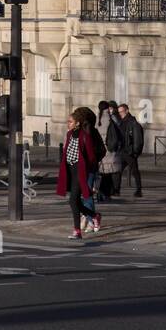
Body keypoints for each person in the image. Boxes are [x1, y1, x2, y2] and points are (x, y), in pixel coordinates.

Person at [56, 107, 101, 239]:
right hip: (69, 171)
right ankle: (94, 216)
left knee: (72, 201)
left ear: (77, 123)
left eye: (70, 121)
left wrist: (86, 168)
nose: (67, 124)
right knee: (77, 202)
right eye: (67, 121)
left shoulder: (85, 136)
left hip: (79, 172)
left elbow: (92, 157)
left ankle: (77, 231)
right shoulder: (69, 135)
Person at [95, 100, 123, 199]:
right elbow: (120, 130)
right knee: (112, 172)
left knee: (103, 172)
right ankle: (111, 192)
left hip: (100, 149)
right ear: (108, 108)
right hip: (111, 148)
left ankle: (102, 192)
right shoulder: (112, 118)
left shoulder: (97, 119)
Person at [117, 102, 144, 196]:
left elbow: (138, 139)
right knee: (118, 170)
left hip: (129, 152)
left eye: (122, 111)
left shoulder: (133, 122)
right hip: (123, 151)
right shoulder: (121, 122)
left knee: (134, 171)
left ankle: (139, 190)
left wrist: (135, 151)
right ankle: (116, 190)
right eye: (119, 112)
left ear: (127, 111)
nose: (120, 114)